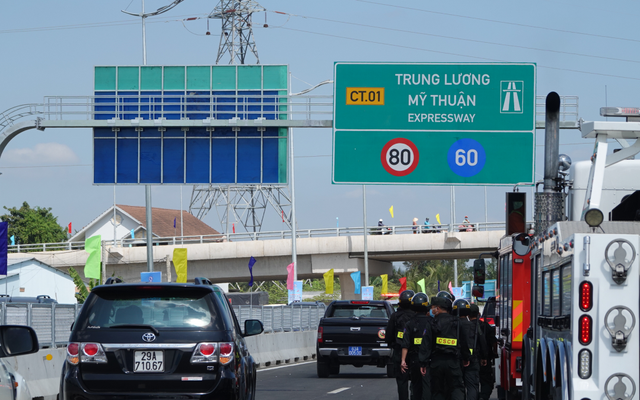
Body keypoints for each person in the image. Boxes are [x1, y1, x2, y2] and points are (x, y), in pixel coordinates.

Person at [428, 296, 470, 400]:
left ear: (438, 308)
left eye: (433, 307)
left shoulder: (432, 323)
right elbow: (463, 342)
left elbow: (427, 344)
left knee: (437, 390)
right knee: (456, 388)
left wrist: (423, 362)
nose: (431, 310)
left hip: (436, 362)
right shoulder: (456, 322)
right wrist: (466, 357)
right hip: (453, 362)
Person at [453, 300, 487, 400]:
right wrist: (484, 357)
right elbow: (482, 341)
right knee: (472, 386)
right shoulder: (475, 326)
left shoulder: (453, 325)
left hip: (456, 360)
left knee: (458, 387)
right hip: (473, 360)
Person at [401, 293, 432, 400]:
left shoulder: (410, 323)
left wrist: (403, 360)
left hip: (415, 359)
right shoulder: (432, 322)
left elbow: (405, 344)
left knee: (416, 386)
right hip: (429, 359)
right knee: (428, 385)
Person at [386, 290, 416, 400]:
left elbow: (388, 336)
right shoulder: (416, 317)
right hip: (415, 353)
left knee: (401, 381)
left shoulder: (395, 316)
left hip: (399, 353)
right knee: (416, 380)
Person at [477, 307, 497, 400]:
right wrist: (494, 352)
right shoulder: (486, 327)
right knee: (487, 381)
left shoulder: (466, 326)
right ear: (478, 314)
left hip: (470, 360)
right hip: (485, 359)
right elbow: (494, 342)